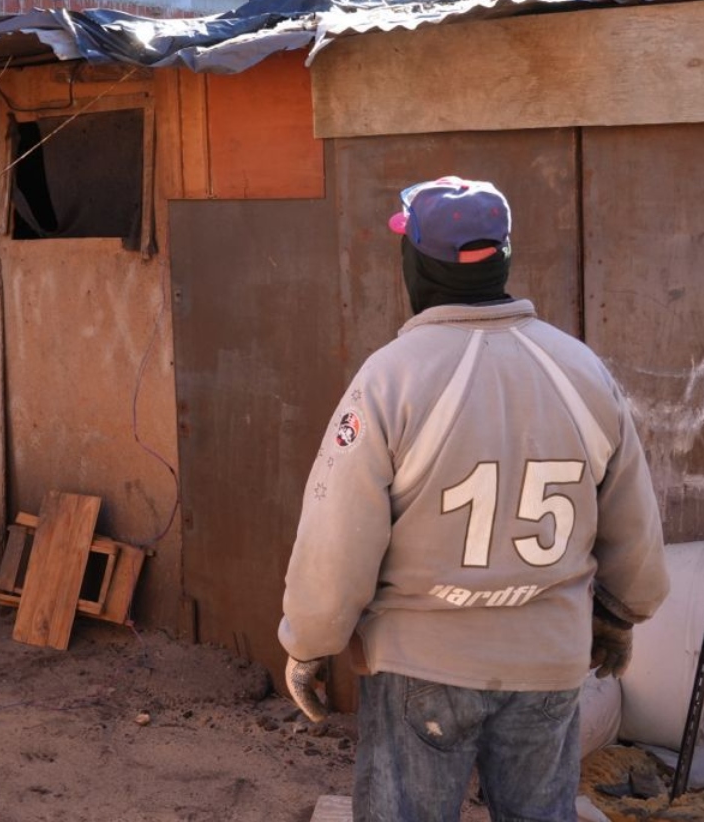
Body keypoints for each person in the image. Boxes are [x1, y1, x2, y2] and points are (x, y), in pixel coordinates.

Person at [277, 176, 669, 822]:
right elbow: (635, 527)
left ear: (416, 265)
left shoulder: (390, 379)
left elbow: (336, 536)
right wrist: (619, 615)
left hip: (422, 669)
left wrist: (311, 641)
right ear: (502, 261)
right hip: (547, 664)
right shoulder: (581, 371)